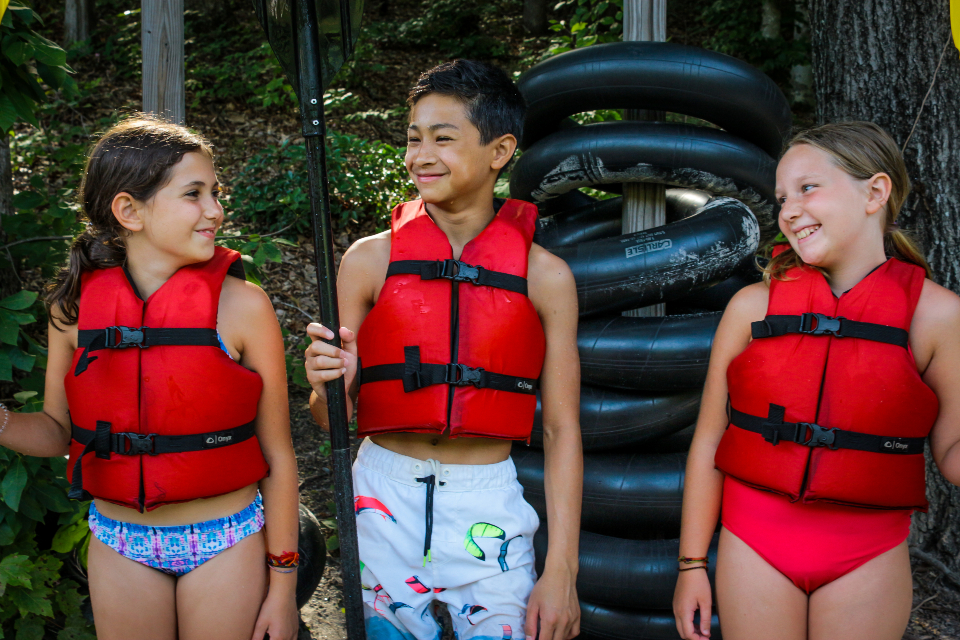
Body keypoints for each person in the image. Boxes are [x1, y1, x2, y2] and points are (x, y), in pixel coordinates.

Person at [304, 60, 582, 640]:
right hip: (382, 494)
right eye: (413, 137)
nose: (420, 155)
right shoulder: (367, 260)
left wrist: (562, 571)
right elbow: (329, 418)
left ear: (500, 150)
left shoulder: (544, 275)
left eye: (443, 138)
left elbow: (559, 431)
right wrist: (328, 384)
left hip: (487, 503)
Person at [0, 116, 301, 640]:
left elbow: (277, 453)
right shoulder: (71, 312)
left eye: (215, 192)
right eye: (194, 194)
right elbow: (55, 430)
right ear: (128, 211)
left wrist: (283, 587)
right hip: (120, 542)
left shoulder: (244, 307)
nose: (216, 210)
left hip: (225, 538)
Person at [672, 121, 960, 640]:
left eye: (808, 188)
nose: (789, 211)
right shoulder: (750, 308)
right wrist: (691, 564)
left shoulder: (938, 317)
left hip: (867, 558)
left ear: (875, 192)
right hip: (753, 548)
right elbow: (710, 440)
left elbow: (953, 452)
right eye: (782, 198)